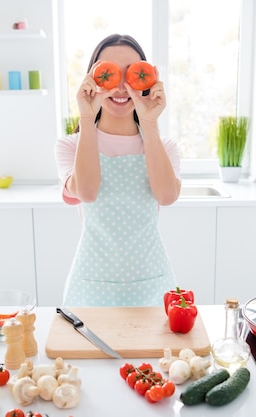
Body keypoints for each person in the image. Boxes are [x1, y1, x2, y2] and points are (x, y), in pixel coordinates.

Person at [55, 34, 181, 307]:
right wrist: (87, 116)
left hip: (152, 283)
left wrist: (149, 122)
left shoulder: (164, 147)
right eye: (109, 74)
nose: (122, 87)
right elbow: (86, 192)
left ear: (148, 79)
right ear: (92, 78)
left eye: (133, 74)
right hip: (90, 287)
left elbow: (167, 195)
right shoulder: (69, 146)